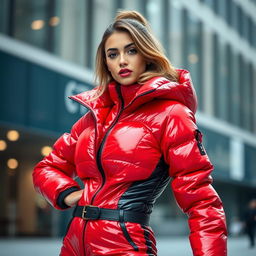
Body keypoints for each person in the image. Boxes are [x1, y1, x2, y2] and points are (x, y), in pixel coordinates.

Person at [33, 10, 227, 256]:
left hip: (125, 246)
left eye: (131, 50)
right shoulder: (93, 119)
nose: (122, 60)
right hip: (73, 245)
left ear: (146, 55)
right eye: (112, 54)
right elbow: (45, 169)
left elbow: (202, 202)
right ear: (106, 63)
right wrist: (70, 194)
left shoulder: (171, 114)